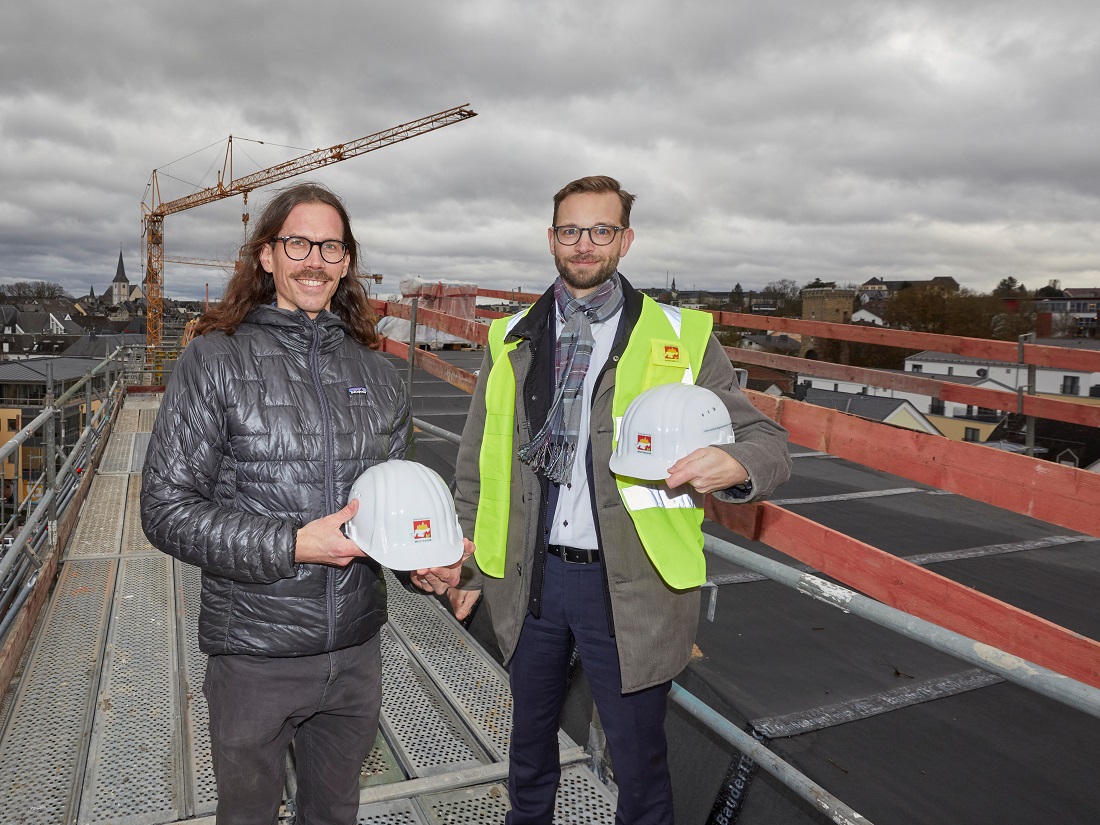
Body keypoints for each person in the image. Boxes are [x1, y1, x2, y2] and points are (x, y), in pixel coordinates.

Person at [448, 175, 792, 824]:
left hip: (631, 587)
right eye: (571, 230)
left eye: (601, 230)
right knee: (528, 754)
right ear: (551, 238)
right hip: (530, 580)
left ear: (625, 240)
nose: (585, 244)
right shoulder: (513, 339)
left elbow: (766, 439)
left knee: (640, 770)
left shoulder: (680, 336)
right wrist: (467, 563)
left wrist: (737, 463)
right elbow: (476, 462)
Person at [140, 181, 469, 825]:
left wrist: (420, 564)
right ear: (267, 255)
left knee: (333, 812)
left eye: (331, 246)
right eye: (298, 243)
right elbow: (165, 509)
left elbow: (388, 509)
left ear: (346, 262)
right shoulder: (215, 360)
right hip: (253, 656)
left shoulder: (377, 373)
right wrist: (291, 543)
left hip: (354, 651)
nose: (314, 259)